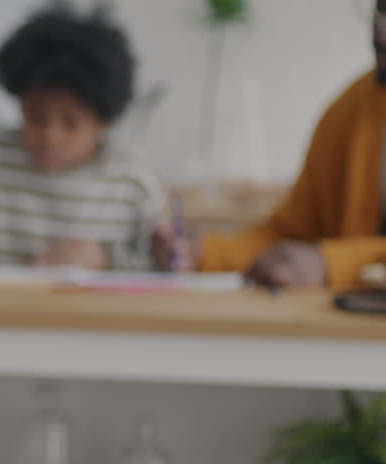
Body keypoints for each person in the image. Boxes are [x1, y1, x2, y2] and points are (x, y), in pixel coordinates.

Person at [155, 1, 386, 290]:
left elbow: (320, 260)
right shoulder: (351, 110)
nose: (381, 28)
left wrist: (332, 264)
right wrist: (202, 253)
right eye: (381, 9)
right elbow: (290, 237)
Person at [0, 1, 165, 271]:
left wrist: (105, 260)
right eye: (36, 117)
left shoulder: (132, 178)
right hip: (4, 311)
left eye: (71, 123)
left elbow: (163, 266)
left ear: (103, 122)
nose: (50, 136)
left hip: (94, 313)